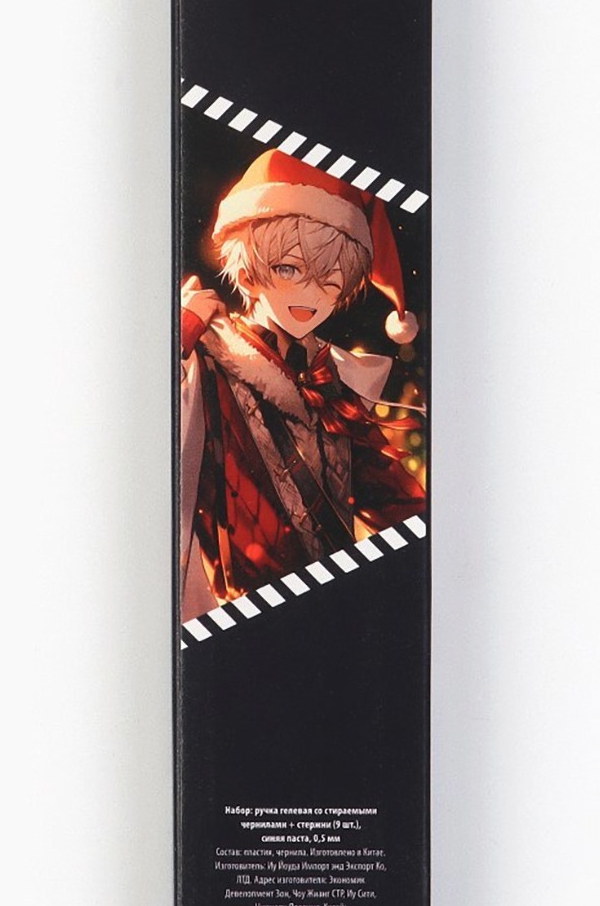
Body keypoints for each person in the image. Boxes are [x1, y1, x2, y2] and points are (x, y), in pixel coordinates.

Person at [179, 149, 426, 620]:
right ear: (248, 269)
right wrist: (182, 332)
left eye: (331, 280)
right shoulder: (209, 357)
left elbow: (396, 503)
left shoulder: (334, 380)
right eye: (289, 269)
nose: (311, 296)